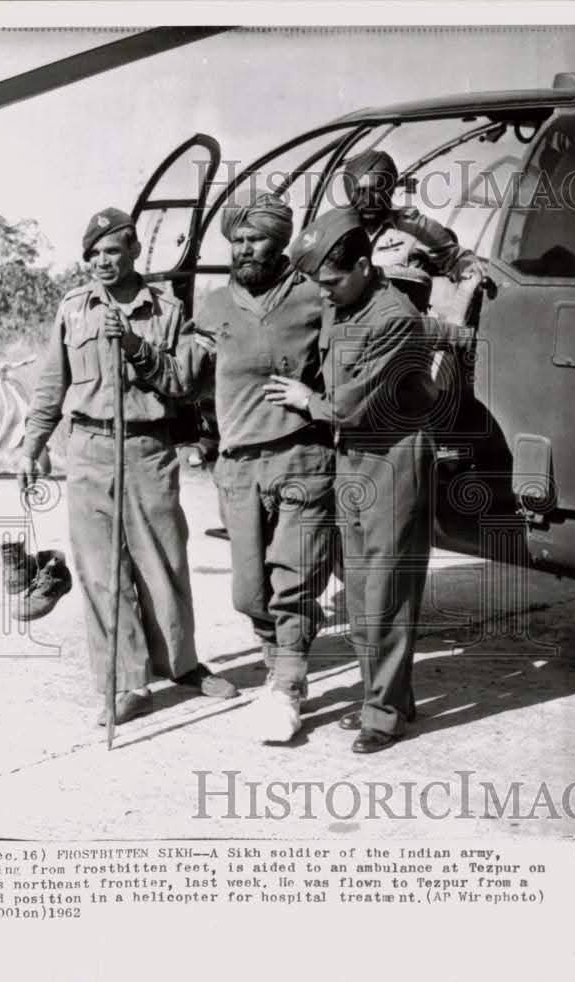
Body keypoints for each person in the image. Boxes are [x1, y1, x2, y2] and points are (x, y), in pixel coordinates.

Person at [18, 207, 237, 726]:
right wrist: (33, 444)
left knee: (161, 560)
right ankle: (126, 682)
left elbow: (183, 383)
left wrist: (137, 347)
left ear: (135, 250)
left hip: (146, 447)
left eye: (111, 251)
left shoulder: (167, 308)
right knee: (101, 571)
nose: (101, 262)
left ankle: (181, 666)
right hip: (90, 448)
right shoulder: (74, 307)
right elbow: (53, 382)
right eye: (92, 254)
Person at [264, 208, 438, 754]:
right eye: (320, 283)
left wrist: (305, 399)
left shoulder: (395, 318)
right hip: (353, 456)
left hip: (393, 458)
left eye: (333, 282)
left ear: (365, 266)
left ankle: (383, 715)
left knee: (387, 590)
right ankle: (387, 695)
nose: (325, 293)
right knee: (361, 589)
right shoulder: (342, 301)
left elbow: (349, 403)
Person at [194, 191, 335, 743]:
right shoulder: (211, 306)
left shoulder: (313, 296)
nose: (245, 249)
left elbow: (348, 362)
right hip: (238, 465)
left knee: (292, 583)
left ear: (281, 242)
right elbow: (185, 379)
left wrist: (314, 399)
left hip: (301, 456)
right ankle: (282, 658)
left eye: (256, 239)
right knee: (249, 594)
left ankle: (288, 686)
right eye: (237, 241)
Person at [340, 147, 484, 283]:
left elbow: (461, 261)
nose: (368, 200)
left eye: (376, 190)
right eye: (359, 192)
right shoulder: (339, 232)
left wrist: (466, 290)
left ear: (389, 190)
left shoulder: (417, 228)